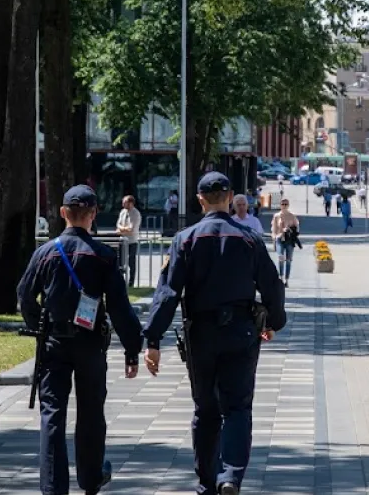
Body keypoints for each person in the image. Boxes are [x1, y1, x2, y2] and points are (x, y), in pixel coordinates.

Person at [142, 172, 287, 495]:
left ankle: (207, 481)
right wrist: (273, 322)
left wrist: (152, 340)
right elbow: (272, 284)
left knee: (205, 409)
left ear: (200, 199)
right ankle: (230, 476)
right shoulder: (249, 238)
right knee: (237, 407)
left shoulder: (186, 239)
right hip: (241, 332)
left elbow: (168, 293)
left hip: (201, 334)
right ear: (231, 196)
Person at [17, 185, 145, 495]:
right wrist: (132, 348)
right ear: (94, 215)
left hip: (53, 344)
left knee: (52, 416)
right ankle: (90, 479)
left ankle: (53, 487)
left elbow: (24, 295)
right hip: (89, 344)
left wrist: (39, 326)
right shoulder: (103, 256)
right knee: (90, 414)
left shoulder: (45, 253)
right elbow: (118, 306)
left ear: (63, 214)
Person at [271, 198, 300, 285]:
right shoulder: (276, 216)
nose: (284, 206)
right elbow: (273, 229)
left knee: (288, 260)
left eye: (286, 204)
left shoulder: (292, 215)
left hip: (289, 240)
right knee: (280, 257)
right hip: (279, 239)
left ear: (288, 205)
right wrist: (274, 240)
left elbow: (297, 228)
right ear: (280, 205)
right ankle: (281, 277)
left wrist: (290, 230)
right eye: (282, 204)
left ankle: (287, 280)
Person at [116, 195, 141, 288]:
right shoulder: (123, 212)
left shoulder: (135, 214)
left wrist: (121, 229)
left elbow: (131, 229)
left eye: (125, 202)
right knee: (120, 262)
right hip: (122, 240)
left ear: (131, 203)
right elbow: (118, 224)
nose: (123, 204)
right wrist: (123, 229)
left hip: (132, 241)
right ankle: (121, 281)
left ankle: (131, 282)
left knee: (131, 262)